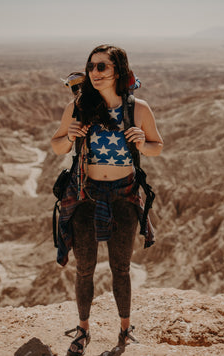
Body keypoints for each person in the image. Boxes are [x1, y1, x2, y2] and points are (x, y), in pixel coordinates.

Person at [51, 44, 163, 356]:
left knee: (121, 268)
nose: (95, 73)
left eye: (102, 67)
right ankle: (83, 329)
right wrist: (69, 136)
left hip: (123, 196)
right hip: (86, 195)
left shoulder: (138, 109)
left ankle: (125, 329)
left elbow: (157, 147)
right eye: (91, 67)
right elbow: (57, 146)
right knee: (84, 267)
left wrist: (143, 140)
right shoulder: (78, 107)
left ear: (119, 71)